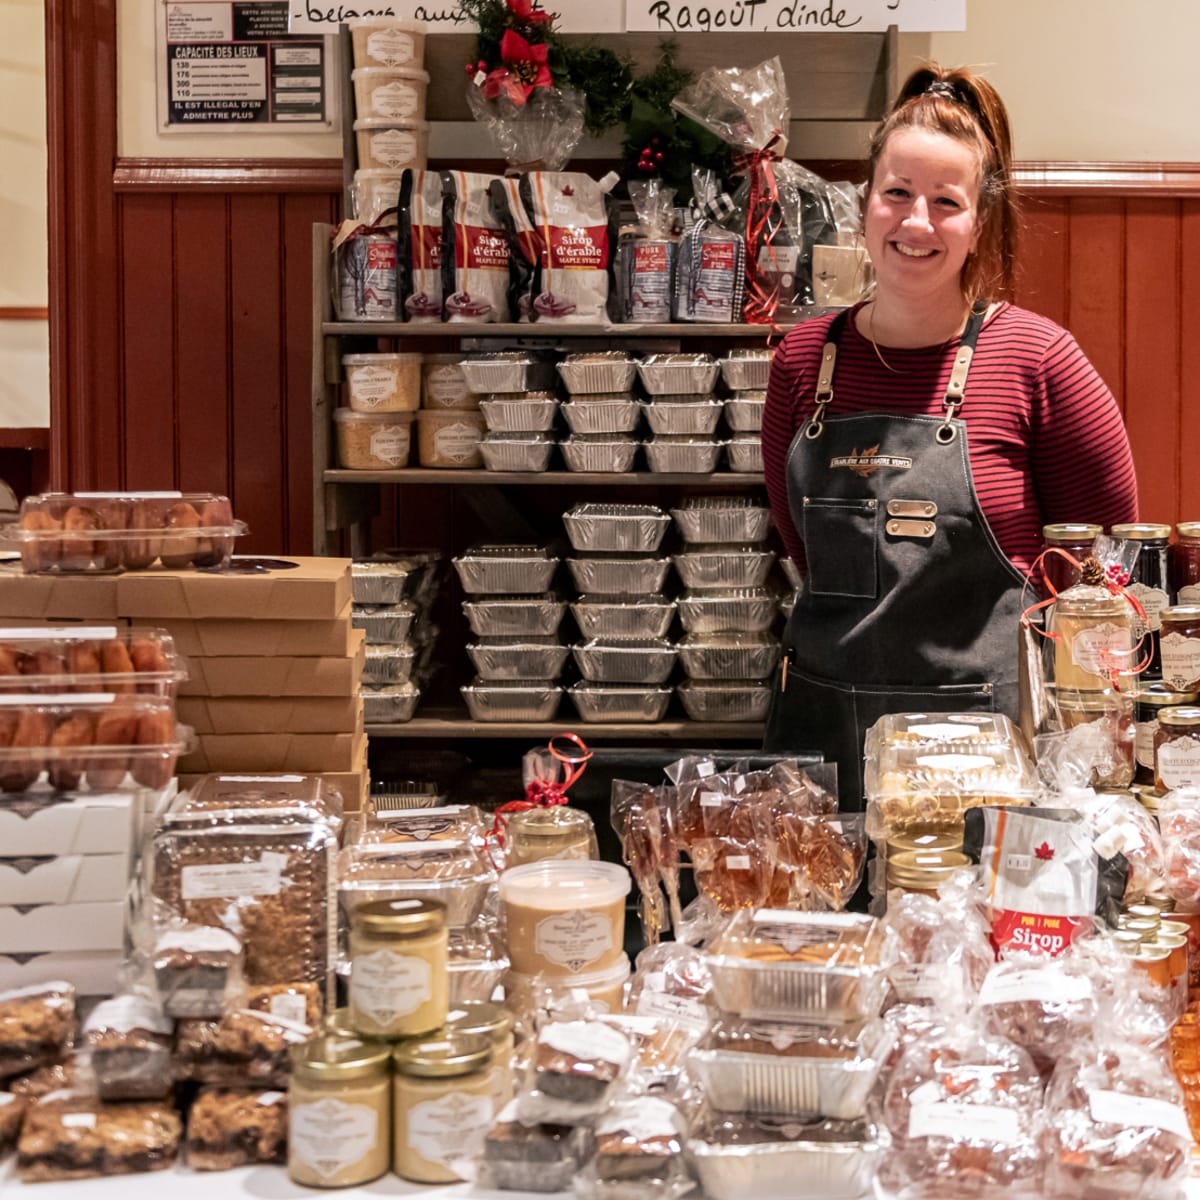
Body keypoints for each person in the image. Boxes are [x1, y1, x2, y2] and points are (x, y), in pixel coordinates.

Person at [761, 64, 1139, 808]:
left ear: (981, 220)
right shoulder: (802, 360)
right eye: (896, 193)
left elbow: (1107, 561)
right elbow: (798, 544)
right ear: (865, 201)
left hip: (981, 757)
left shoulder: (1039, 360)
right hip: (821, 745)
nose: (916, 223)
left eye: (947, 202)